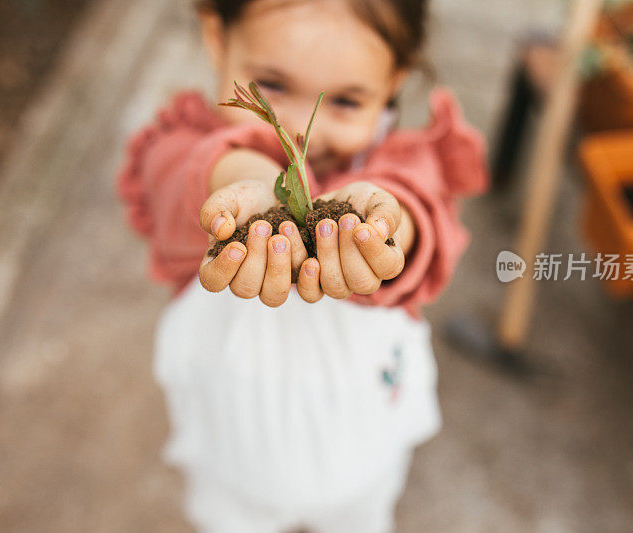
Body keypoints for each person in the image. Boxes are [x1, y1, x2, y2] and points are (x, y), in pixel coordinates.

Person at [117, 0, 488, 530]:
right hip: (233, 451)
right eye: (270, 87)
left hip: (363, 447)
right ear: (217, 36)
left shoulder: (403, 165)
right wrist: (243, 178)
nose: (294, 131)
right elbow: (176, 174)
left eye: (344, 100)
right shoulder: (185, 144)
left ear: (395, 80)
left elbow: (414, 211)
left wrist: (381, 228)